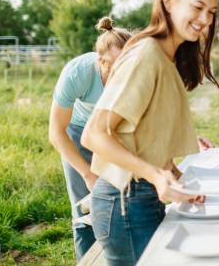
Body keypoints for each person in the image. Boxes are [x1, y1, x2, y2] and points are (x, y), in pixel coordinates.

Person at [80, 0, 219, 265]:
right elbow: (94, 134)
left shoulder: (166, 59)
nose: (206, 19)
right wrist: (156, 175)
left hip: (141, 199)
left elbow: (145, 136)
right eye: (197, 7)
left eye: (211, 11)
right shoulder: (147, 55)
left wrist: (178, 179)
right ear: (168, 2)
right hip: (125, 203)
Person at [48, 17, 131, 261]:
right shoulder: (78, 73)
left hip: (113, 131)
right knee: (85, 209)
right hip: (77, 132)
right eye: (116, 66)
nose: (122, 73)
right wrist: (87, 173)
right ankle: (86, 258)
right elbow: (56, 131)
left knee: (122, 204)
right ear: (101, 62)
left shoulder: (134, 71)